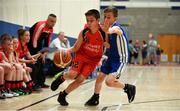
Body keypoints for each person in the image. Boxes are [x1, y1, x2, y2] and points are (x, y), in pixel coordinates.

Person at [50, 9, 109, 106]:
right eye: (87, 20)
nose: (89, 23)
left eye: (91, 20)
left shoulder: (103, 33)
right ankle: (61, 78)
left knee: (80, 80)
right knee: (72, 74)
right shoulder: (84, 32)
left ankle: (63, 95)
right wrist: (66, 51)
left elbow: (107, 47)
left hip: (93, 61)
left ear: (98, 20)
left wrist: (101, 58)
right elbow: (76, 47)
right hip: (81, 56)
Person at [85, 7, 136, 106]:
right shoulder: (106, 29)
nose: (106, 19)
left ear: (115, 18)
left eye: (109, 17)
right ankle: (95, 98)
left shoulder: (117, 28)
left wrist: (103, 28)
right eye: (105, 17)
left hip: (120, 59)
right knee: (99, 78)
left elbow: (111, 30)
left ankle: (128, 87)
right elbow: (107, 44)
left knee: (109, 82)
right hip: (111, 58)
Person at [27, 14, 57, 88]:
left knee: (42, 62)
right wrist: (38, 53)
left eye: (55, 22)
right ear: (47, 20)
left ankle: (41, 82)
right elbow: (34, 40)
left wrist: (44, 53)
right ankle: (34, 83)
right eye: (52, 21)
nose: (53, 23)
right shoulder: (41, 25)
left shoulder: (51, 29)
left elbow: (47, 42)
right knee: (35, 64)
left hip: (38, 45)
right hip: (30, 45)